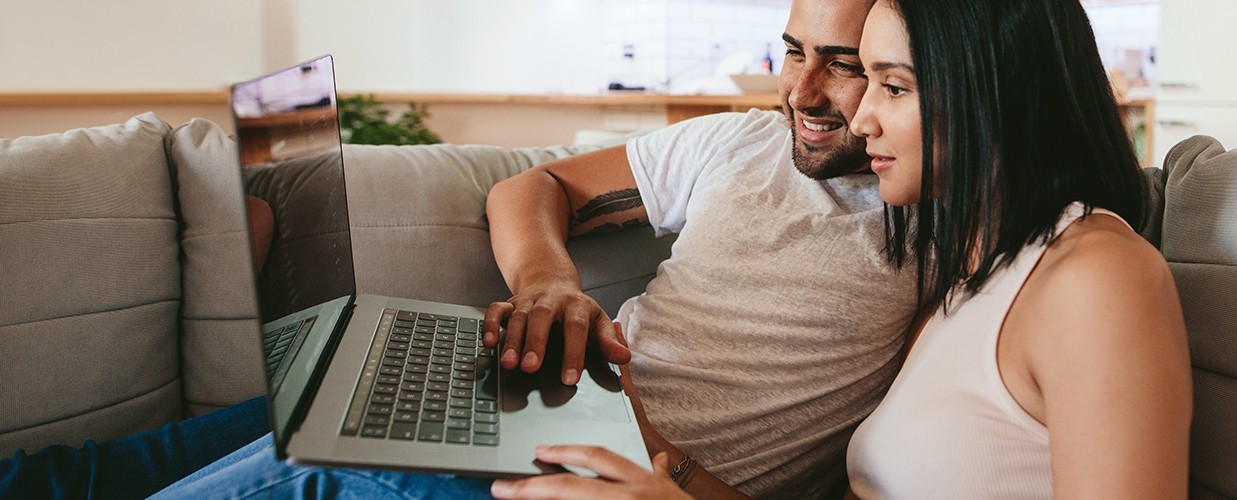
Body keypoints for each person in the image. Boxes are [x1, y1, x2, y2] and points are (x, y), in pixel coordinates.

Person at [100, 0, 909, 497]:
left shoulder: (951, 231)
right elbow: (530, 187)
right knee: (157, 457)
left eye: (842, 68)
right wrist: (548, 283)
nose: (801, 92)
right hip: (543, 395)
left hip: (600, 474)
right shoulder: (739, 143)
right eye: (793, 51)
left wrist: (676, 471)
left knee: (304, 472)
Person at [487, 0, 1192, 498]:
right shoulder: (967, 283)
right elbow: (534, 188)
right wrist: (662, 461)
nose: (848, 111)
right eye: (794, 52)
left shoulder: (1089, 274)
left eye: (887, 82)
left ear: (986, 90)